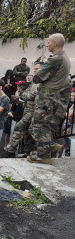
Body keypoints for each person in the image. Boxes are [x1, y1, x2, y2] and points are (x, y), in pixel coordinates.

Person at [27, 33, 71, 164]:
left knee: (40, 126)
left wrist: (35, 77)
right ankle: (46, 150)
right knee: (39, 125)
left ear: (55, 44)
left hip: (47, 96)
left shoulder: (56, 59)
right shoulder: (64, 57)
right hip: (51, 95)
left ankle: (44, 156)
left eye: (49, 42)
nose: (47, 44)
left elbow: (38, 77)